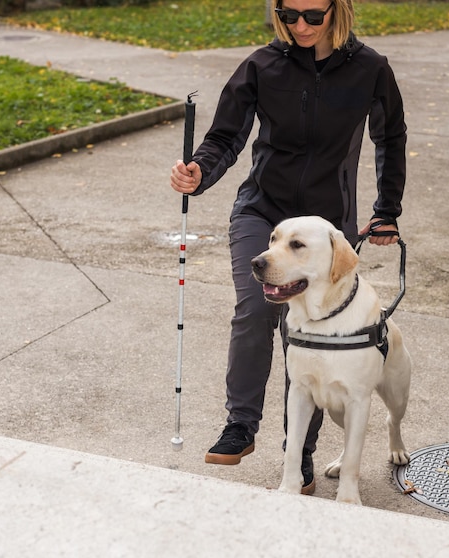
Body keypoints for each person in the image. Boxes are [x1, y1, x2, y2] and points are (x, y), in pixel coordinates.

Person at [170, 0, 406, 494]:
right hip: (263, 210)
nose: (300, 25)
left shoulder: (370, 70)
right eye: (289, 13)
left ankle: (299, 453)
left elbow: (390, 138)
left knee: (312, 331)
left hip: (326, 224)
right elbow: (225, 136)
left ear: (336, 11)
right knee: (260, 306)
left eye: (313, 16)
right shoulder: (261, 65)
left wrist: (386, 210)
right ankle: (241, 424)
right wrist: (199, 171)